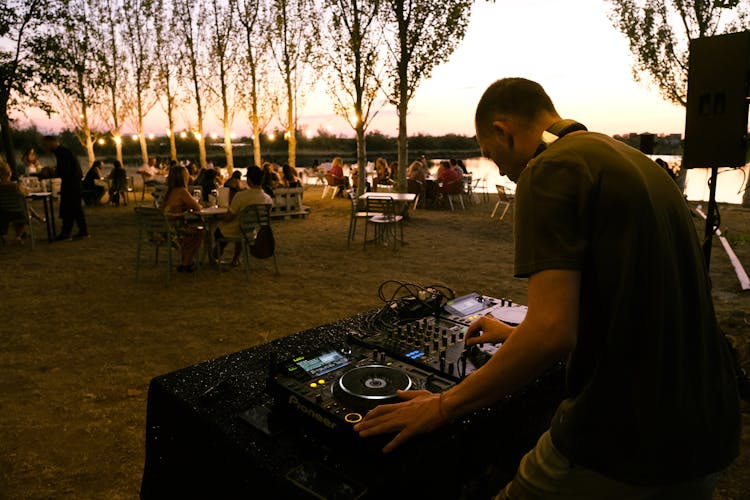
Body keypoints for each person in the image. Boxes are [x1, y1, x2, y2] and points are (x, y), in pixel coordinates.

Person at [354, 78, 741, 499]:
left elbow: (553, 334)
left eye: (491, 154)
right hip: (710, 428)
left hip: (629, 437)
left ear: (503, 131)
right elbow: (632, 304)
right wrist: (517, 334)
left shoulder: (550, 168)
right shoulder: (638, 163)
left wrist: (441, 406)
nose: (499, 169)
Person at [214, 165, 272, 266]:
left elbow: (229, 218)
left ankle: (215, 256)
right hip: (251, 231)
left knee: (218, 231)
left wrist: (220, 217)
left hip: (236, 230)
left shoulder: (241, 196)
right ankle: (235, 258)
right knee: (239, 228)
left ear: (249, 180)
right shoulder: (268, 199)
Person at [42, 135, 88, 240]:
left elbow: (65, 171)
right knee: (72, 208)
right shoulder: (63, 152)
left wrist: (52, 172)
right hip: (72, 183)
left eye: (46, 145)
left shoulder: (62, 153)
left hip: (72, 184)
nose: (45, 147)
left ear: (52, 142)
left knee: (72, 208)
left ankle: (72, 232)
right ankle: (70, 232)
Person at [160, 165, 204, 272]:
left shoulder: (169, 191)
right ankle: (186, 263)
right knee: (199, 231)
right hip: (173, 231)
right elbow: (197, 207)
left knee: (191, 229)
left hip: (161, 229)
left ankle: (186, 261)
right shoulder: (181, 191)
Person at [0, 159, 44, 242]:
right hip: (18, 214)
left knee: (21, 205)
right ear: (9, 173)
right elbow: (26, 194)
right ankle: (18, 236)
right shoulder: (16, 186)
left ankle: (19, 236)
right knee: (22, 206)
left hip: (3, 215)